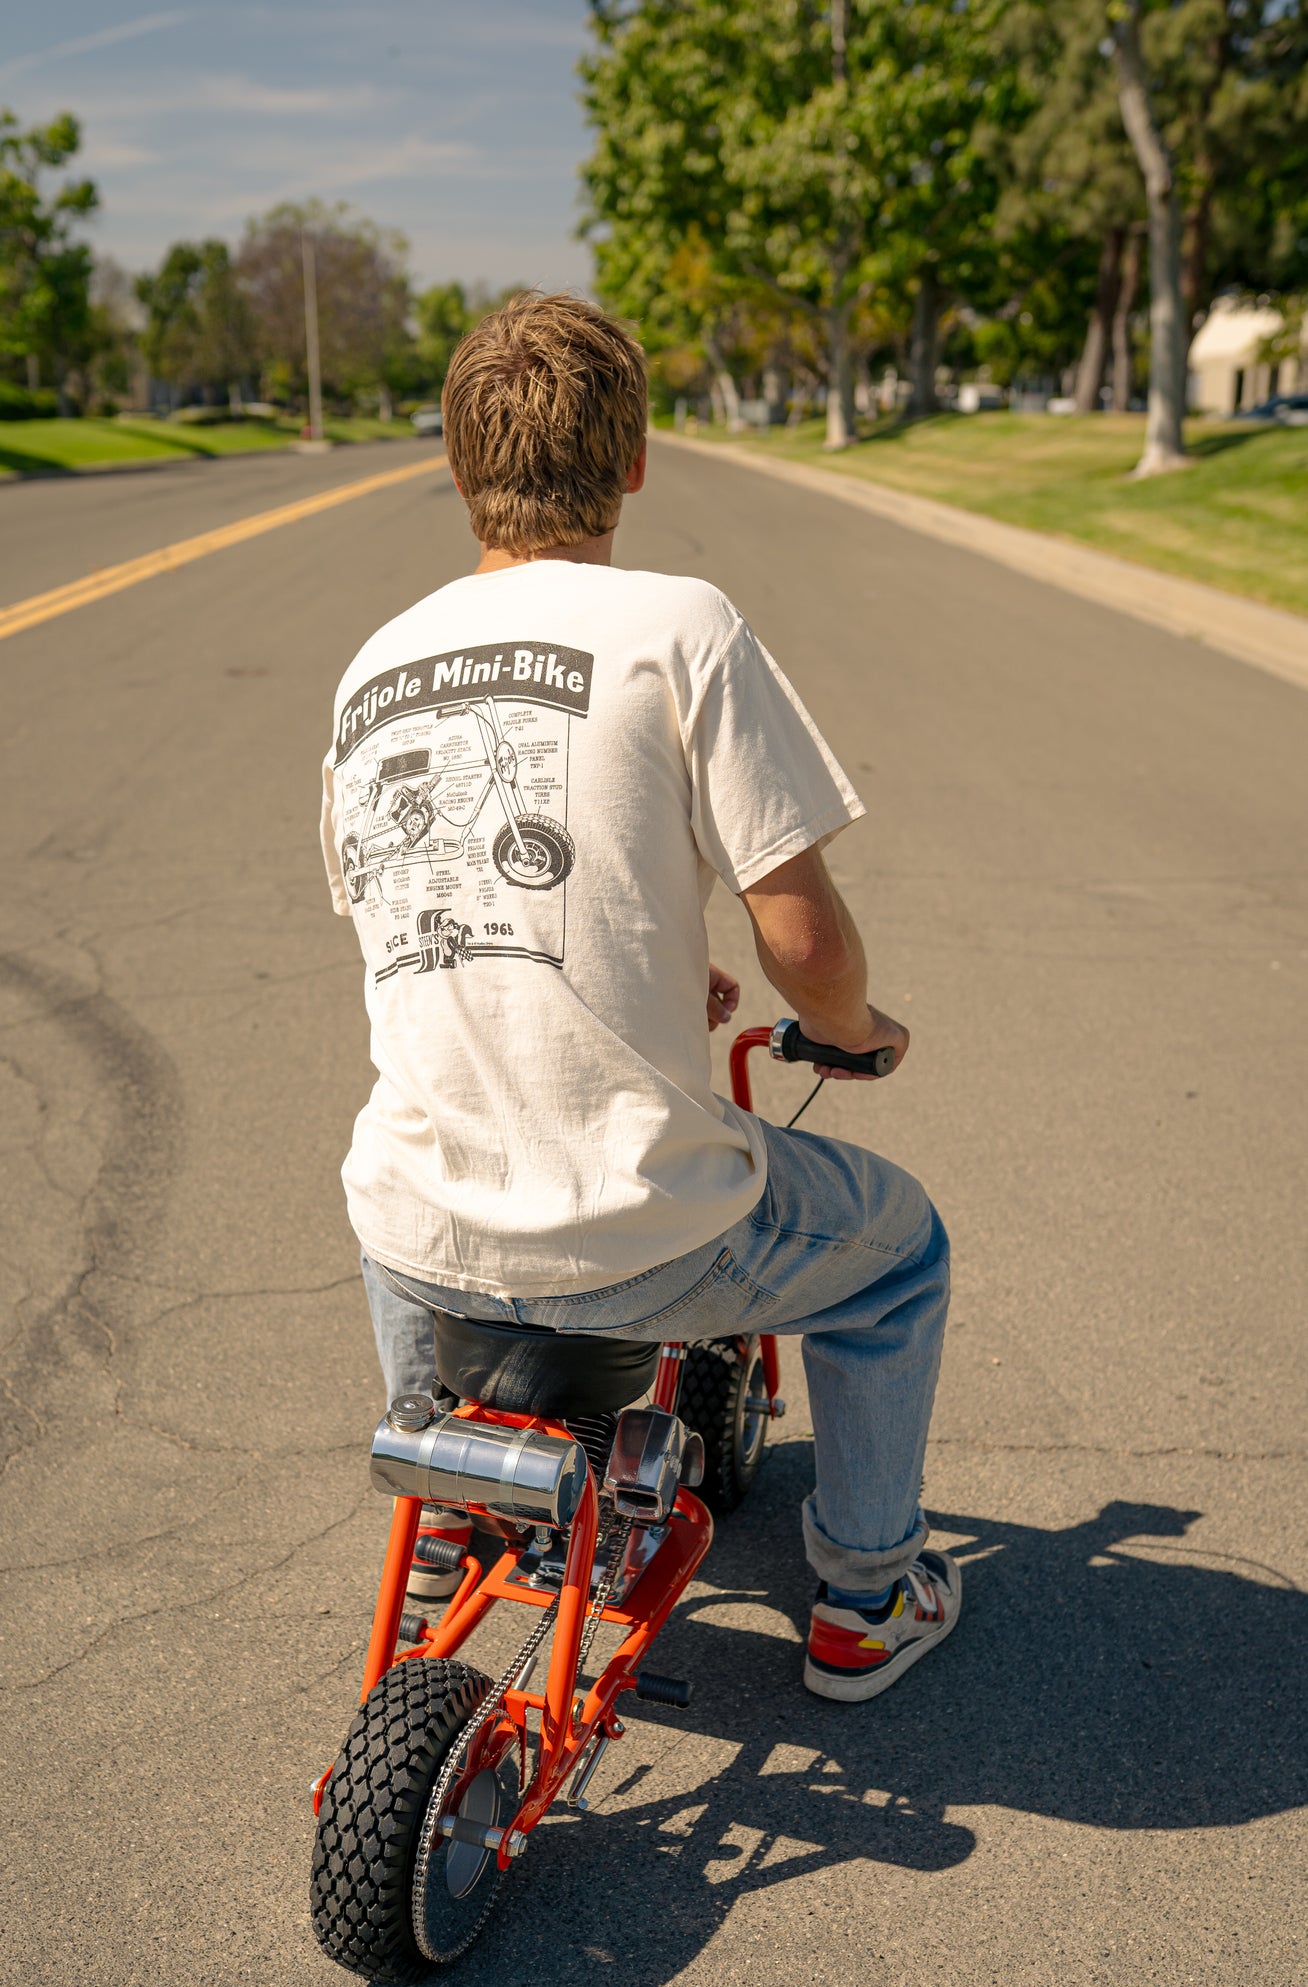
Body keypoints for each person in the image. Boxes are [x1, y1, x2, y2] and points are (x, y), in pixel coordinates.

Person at [320, 292, 957, 1702]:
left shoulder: (374, 667)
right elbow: (802, 936)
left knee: (420, 1199)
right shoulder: (682, 624)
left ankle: (451, 1529)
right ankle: (868, 1590)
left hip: (413, 1235)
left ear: (455, 461)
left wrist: (647, 962)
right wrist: (852, 1028)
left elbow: (425, 922)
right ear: (636, 460)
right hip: (625, 1226)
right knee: (900, 1251)